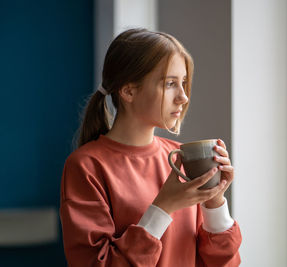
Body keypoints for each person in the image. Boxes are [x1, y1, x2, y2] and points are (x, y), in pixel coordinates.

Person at [59, 28, 242, 267]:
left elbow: (223, 263)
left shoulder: (182, 158)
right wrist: (164, 207)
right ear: (128, 91)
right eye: (170, 84)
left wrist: (214, 200)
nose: (183, 97)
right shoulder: (86, 166)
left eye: (183, 83)